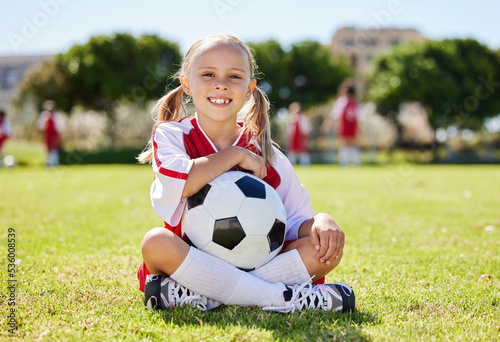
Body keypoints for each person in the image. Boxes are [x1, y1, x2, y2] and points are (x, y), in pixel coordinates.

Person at [137, 34, 355, 313]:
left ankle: (206, 295)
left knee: (322, 251)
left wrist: (321, 223)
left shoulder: (269, 156)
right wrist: (236, 155)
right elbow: (184, 182)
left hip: (257, 262)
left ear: (250, 88)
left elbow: (293, 222)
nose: (221, 84)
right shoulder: (172, 135)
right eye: (208, 74)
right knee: (156, 243)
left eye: (234, 77)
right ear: (186, 84)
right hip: (189, 261)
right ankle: (281, 298)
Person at [322, 83, 361, 167]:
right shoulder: (355, 103)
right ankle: (356, 164)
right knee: (353, 144)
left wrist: (327, 124)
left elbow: (334, 115)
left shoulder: (342, 102)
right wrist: (358, 128)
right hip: (353, 127)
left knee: (344, 144)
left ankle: (344, 164)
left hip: (344, 126)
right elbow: (358, 117)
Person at [37, 100, 65, 167]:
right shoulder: (44, 116)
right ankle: (48, 163)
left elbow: (60, 127)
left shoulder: (57, 116)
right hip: (47, 135)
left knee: (54, 149)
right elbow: (39, 126)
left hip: (54, 135)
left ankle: (55, 163)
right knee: (48, 149)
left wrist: (60, 136)